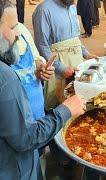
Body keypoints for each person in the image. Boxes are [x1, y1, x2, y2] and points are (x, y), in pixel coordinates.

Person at [0, 1, 86, 179]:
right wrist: (66, 110)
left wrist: (39, 67)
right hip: (14, 166)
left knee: (37, 155)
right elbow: (26, 138)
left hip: (33, 119)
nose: (17, 33)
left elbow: (34, 55)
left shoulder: (19, 32)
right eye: (11, 27)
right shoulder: (5, 80)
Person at [32, 0, 98, 110]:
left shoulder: (72, 7)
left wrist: (86, 54)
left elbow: (75, 38)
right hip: (57, 68)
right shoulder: (43, 10)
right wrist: (62, 69)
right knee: (60, 106)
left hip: (76, 65)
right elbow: (41, 45)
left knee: (80, 103)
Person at [12, 22, 55, 121]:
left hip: (37, 110)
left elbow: (36, 58)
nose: (16, 33)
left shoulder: (21, 28)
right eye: (11, 27)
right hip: (15, 120)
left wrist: (41, 68)